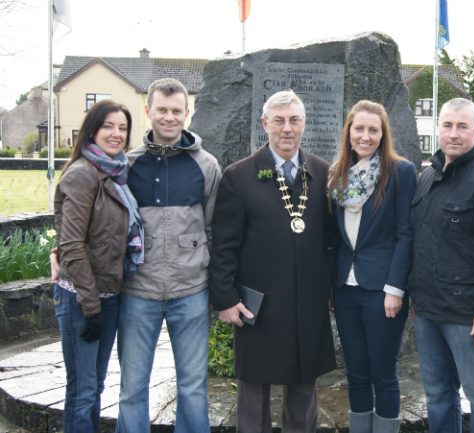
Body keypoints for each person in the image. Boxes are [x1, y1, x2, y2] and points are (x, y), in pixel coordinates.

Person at [210, 90, 337, 433]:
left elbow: (331, 242)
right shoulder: (239, 176)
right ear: (265, 123)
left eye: (294, 120)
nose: (286, 128)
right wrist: (225, 298)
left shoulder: (323, 173)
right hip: (257, 305)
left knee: (303, 389)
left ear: (304, 125)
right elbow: (223, 244)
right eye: (279, 120)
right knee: (253, 394)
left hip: (306, 304)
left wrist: (329, 289)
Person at [116, 78, 221, 433]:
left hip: (190, 290)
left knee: (192, 386)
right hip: (137, 291)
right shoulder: (126, 167)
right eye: (161, 109)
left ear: (187, 113)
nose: (169, 117)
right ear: (148, 111)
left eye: (177, 111)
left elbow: (213, 229)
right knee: (132, 388)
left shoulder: (207, 166)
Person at [409, 97, 474, 433]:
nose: (453, 134)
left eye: (462, 126)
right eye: (447, 125)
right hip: (428, 313)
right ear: (438, 128)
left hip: (469, 318)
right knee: (439, 395)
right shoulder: (428, 177)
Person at [53, 99, 143, 433]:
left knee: (96, 386)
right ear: (92, 129)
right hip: (82, 299)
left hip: (108, 296)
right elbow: (72, 244)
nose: (116, 134)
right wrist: (90, 305)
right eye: (108, 126)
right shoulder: (83, 174)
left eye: (122, 128)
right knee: (83, 389)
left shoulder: (117, 174)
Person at [327, 100, 417, 433]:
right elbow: (335, 240)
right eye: (359, 128)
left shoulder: (400, 172)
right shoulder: (337, 174)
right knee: (356, 372)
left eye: (373, 130)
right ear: (348, 132)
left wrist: (396, 289)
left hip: (382, 291)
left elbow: (405, 234)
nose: (365, 136)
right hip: (345, 289)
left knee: (383, 372)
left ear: (383, 134)